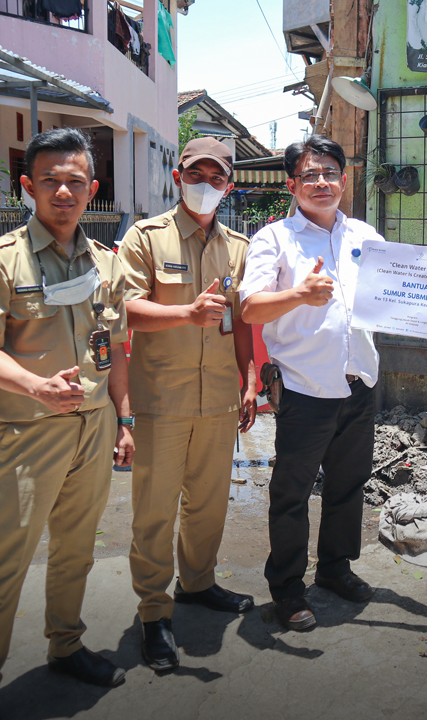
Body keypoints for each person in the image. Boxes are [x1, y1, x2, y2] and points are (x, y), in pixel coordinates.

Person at [0, 128, 133, 720]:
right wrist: (33, 385)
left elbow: (113, 348)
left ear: (92, 189)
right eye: (50, 180)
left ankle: (67, 646)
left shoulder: (106, 264)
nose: (63, 191)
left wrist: (122, 419)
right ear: (28, 185)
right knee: (6, 561)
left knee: (77, 551)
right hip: (26, 436)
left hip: (94, 429)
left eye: (75, 181)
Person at [118, 137, 257, 671]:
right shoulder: (145, 238)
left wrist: (248, 378)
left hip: (219, 399)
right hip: (161, 401)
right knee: (154, 511)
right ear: (178, 178)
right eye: (197, 175)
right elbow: (125, 310)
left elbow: (239, 318)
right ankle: (155, 612)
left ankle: (197, 584)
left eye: (217, 178)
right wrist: (184, 315)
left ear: (228, 185)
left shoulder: (237, 247)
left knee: (208, 502)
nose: (207, 185)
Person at [240, 135, 381, 631]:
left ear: (345, 179)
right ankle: (287, 587)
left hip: (358, 381)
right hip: (304, 387)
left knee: (348, 484)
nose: (321, 182)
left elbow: (405, 292)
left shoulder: (366, 236)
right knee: (292, 491)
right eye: (309, 175)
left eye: (329, 173)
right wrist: (298, 294)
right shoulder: (274, 239)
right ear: (291, 184)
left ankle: (336, 569)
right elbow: (250, 306)